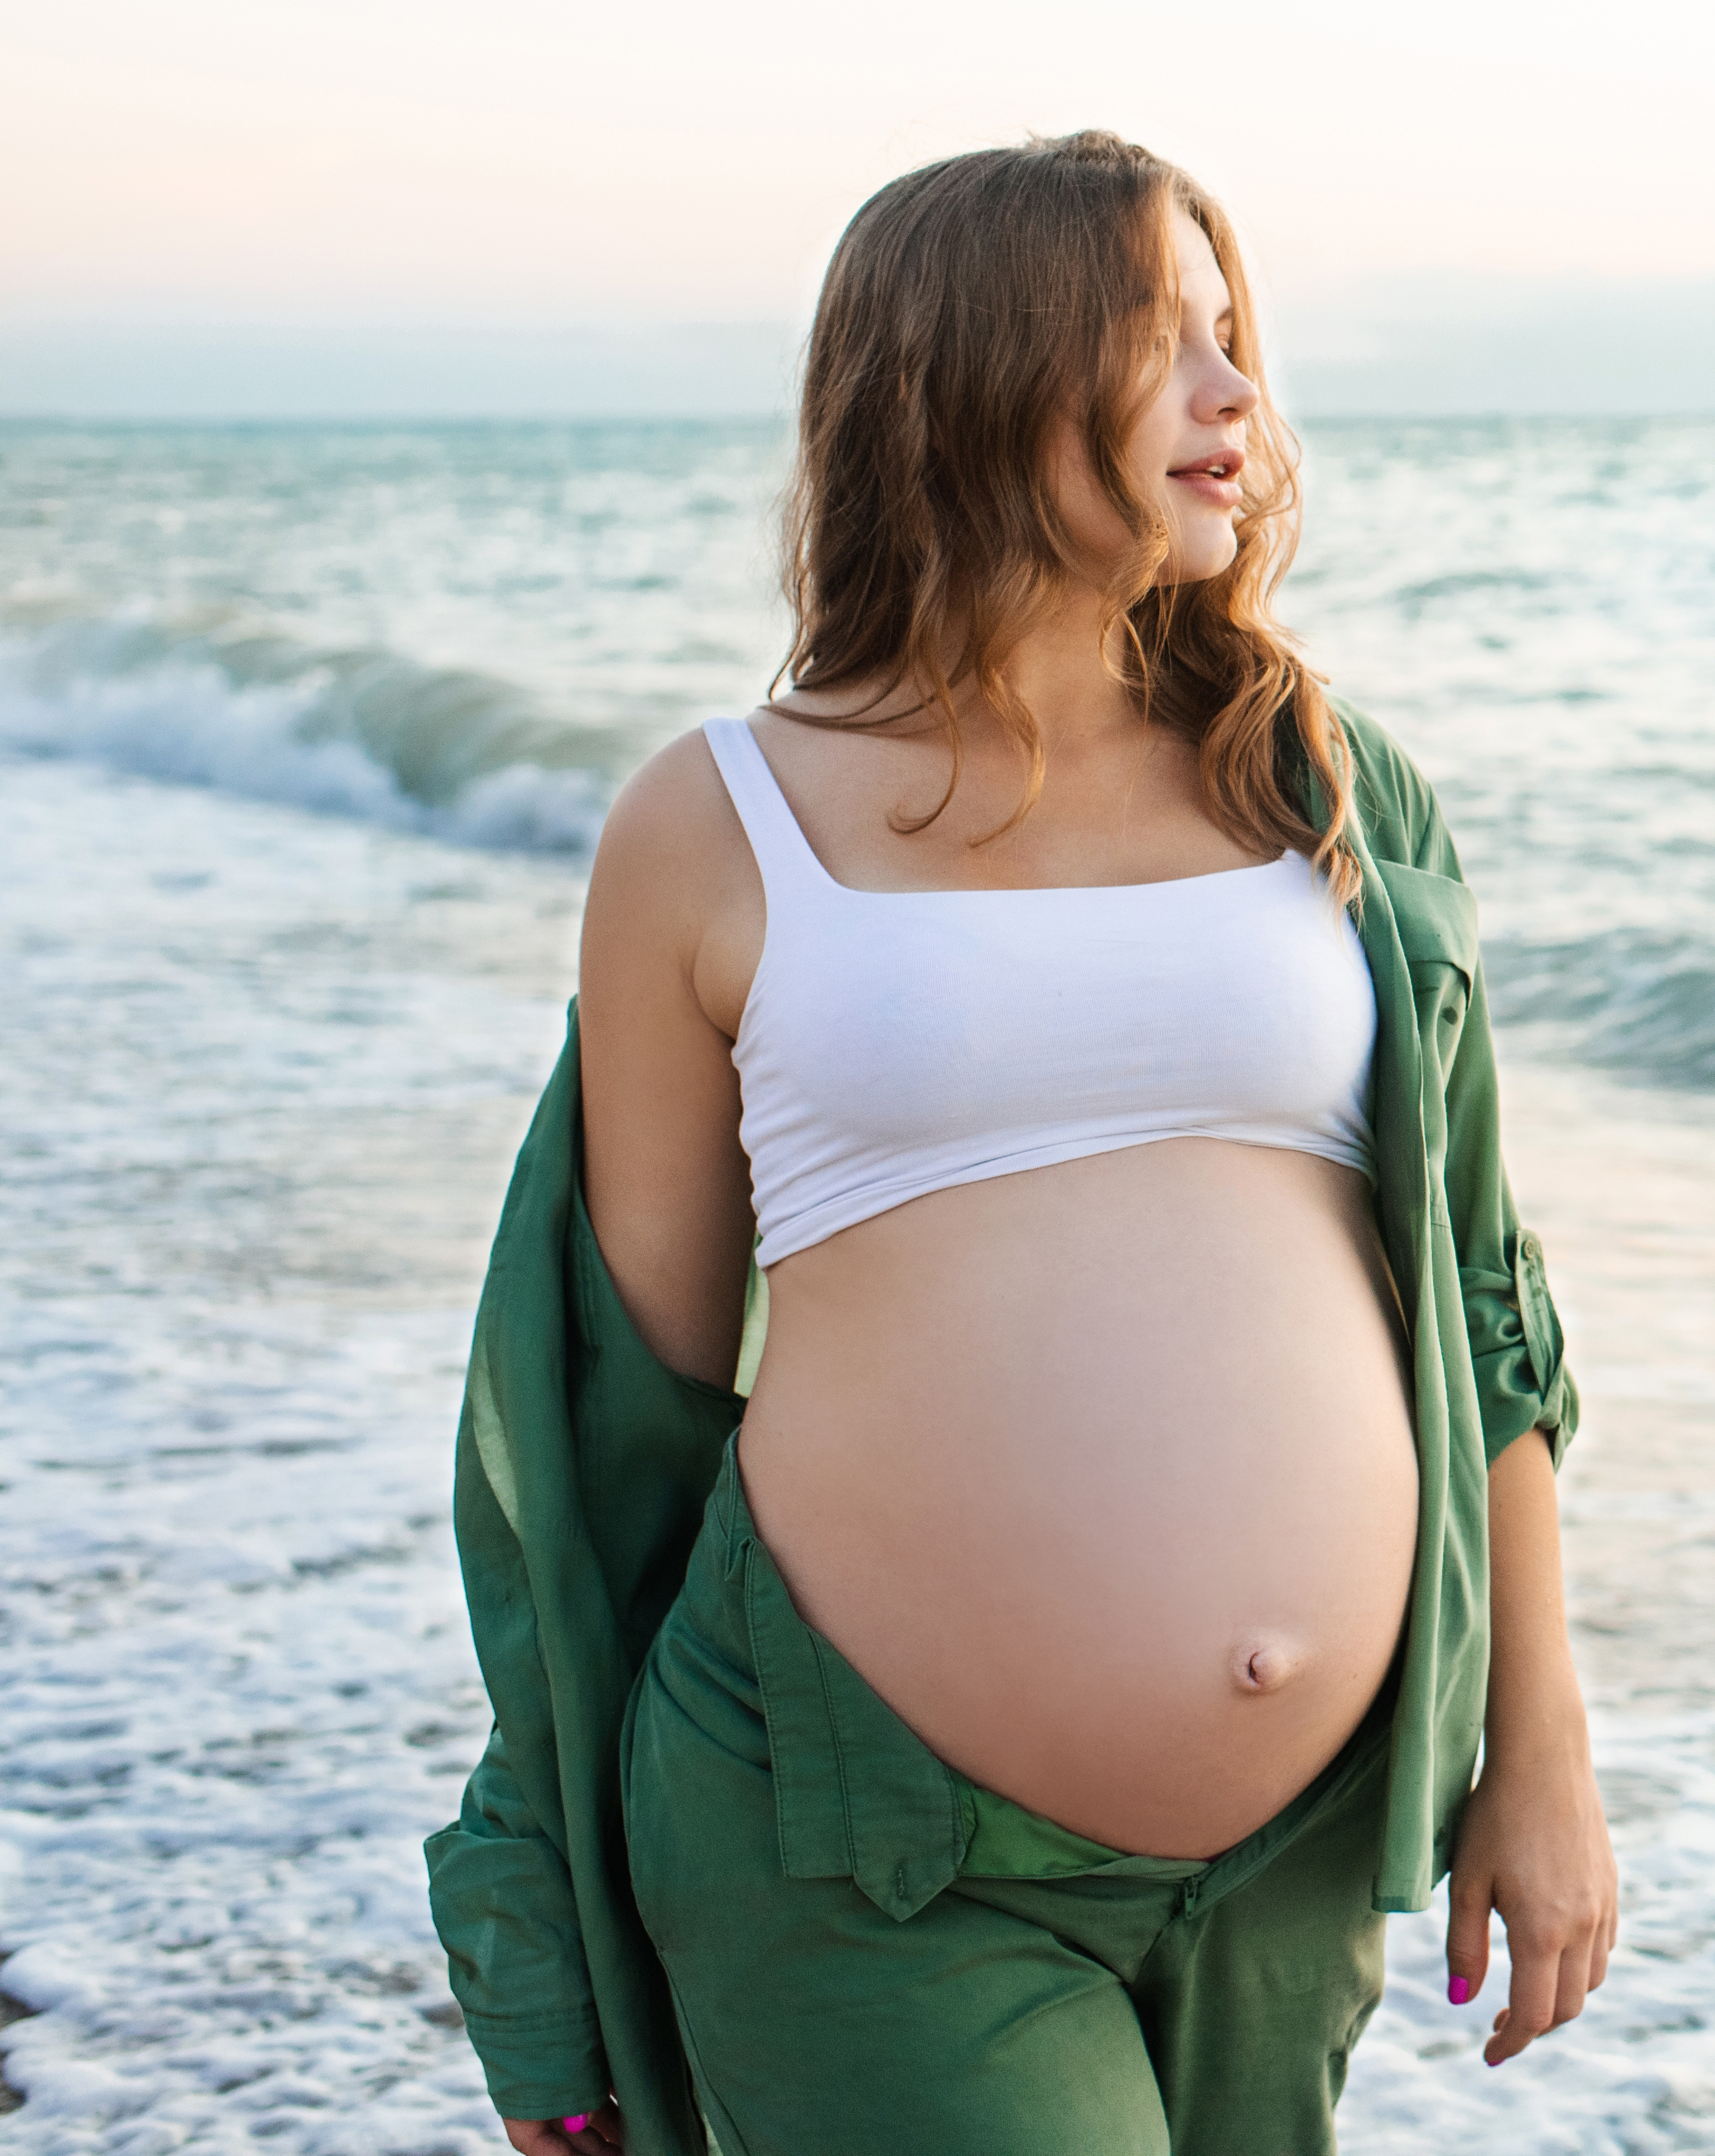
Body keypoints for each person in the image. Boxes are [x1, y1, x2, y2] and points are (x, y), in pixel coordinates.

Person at [423, 131, 1614, 2156]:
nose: (1240, 399)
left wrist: (1545, 1753)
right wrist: (545, 1940)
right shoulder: (715, 829)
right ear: (968, 379)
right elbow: (611, 1423)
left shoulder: (1324, 782)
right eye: (1169, 342)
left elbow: (1479, 1299)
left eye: (1240, 340)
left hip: (1293, 1866)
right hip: (866, 1853)